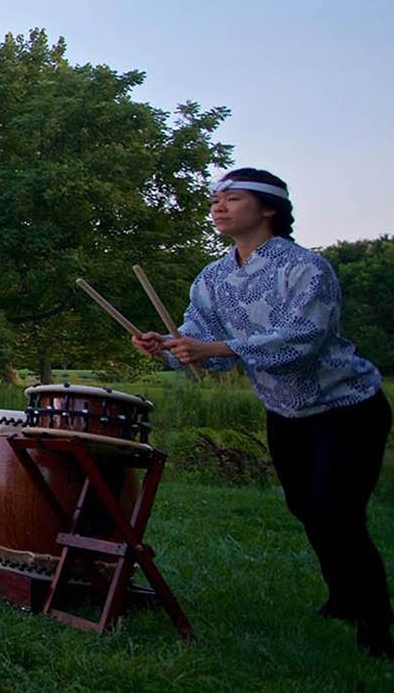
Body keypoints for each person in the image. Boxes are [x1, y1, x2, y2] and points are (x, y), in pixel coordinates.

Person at [132, 168, 390, 656]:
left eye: (232, 198)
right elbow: (197, 338)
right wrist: (165, 346)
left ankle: (376, 621)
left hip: (346, 406)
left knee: (339, 511)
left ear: (268, 208)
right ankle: (343, 597)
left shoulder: (306, 268)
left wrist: (214, 347)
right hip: (285, 410)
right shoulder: (212, 277)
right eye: (215, 201)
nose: (218, 207)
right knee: (306, 506)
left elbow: (301, 341)